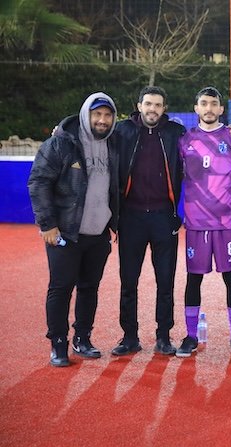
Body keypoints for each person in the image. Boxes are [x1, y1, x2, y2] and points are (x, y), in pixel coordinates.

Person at [28, 93, 119, 367]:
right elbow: (39, 182)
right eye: (97, 114)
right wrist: (47, 224)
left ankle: (83, 338)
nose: (102, 120)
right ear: (85, 115)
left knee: (89, 288)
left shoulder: (114, 144)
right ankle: (58, 343)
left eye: (107, 115)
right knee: (61, 288)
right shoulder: (61, 143)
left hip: (98, 234)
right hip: (65, 233)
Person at [174, 87, 231, 358]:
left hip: (226, 222)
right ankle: (190, 336)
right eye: (204, 103)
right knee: (193, 279)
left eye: (214, 104)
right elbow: (172, 176)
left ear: (222, 109)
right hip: (196, 223)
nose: (209, 108)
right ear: (196, 108)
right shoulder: (185, 141)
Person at [111, 86, 185, 357]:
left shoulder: (176, 133)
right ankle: (129, 336)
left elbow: (204, 141)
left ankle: (163, 336)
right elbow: (91, 134)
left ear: (164, 108)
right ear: (139, 106)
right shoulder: (121, 131)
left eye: (158, 105)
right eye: (148, 104)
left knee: (165, 282)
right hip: (131, 218)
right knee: (128, 282)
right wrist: (63, 131)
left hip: (164, 217)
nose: (153, 109)